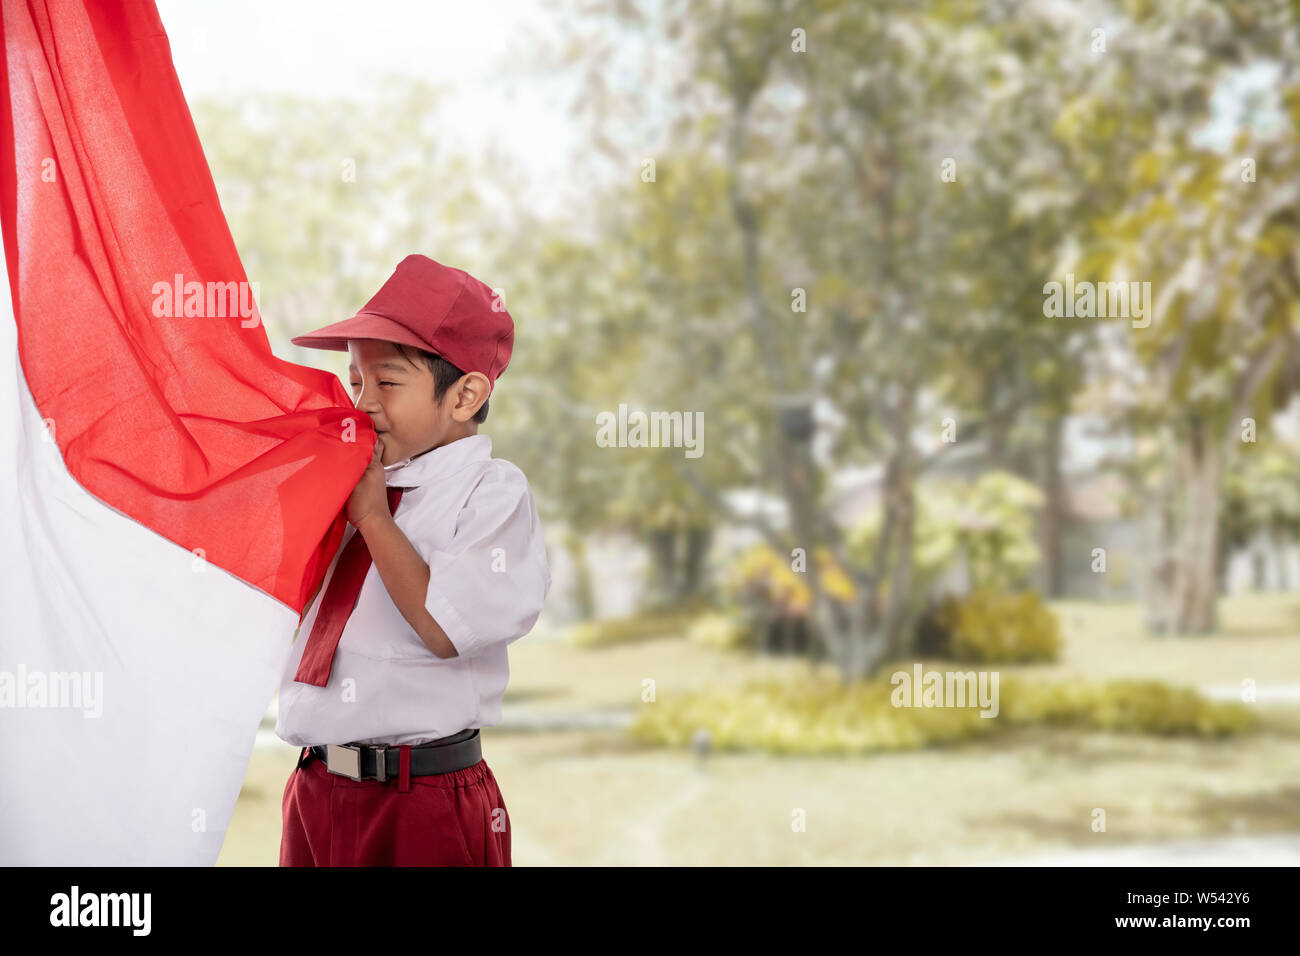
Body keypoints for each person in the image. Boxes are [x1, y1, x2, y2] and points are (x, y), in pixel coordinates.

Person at [276, 253, 550, 866]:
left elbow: (445, 627)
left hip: (420, 796)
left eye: (389, 383)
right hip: (317, 787)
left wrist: (373, 518)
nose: (364, 403)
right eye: (355, 382)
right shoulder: (349, 482)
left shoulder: (490, 494)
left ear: (465, 394)